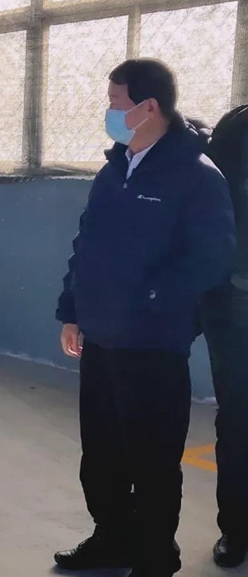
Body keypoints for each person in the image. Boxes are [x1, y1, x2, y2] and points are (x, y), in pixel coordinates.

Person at [55, 58, 235, 577]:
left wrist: (150, 295)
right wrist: (72, 309)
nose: (109, 112)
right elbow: (85, 245)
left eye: (115, 102)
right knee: (102, 455)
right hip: (101, 339)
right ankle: (111, 539)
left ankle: (155, 557)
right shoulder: (115, 170)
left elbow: (213, 258)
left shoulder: (196, 176)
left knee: (152, 460)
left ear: (148, 106)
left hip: (154, 343)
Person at [198, 106, 248, 568]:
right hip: (237, 307)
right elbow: (209, 212)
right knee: (238, 421)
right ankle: (238, 528)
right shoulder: (238, 130)